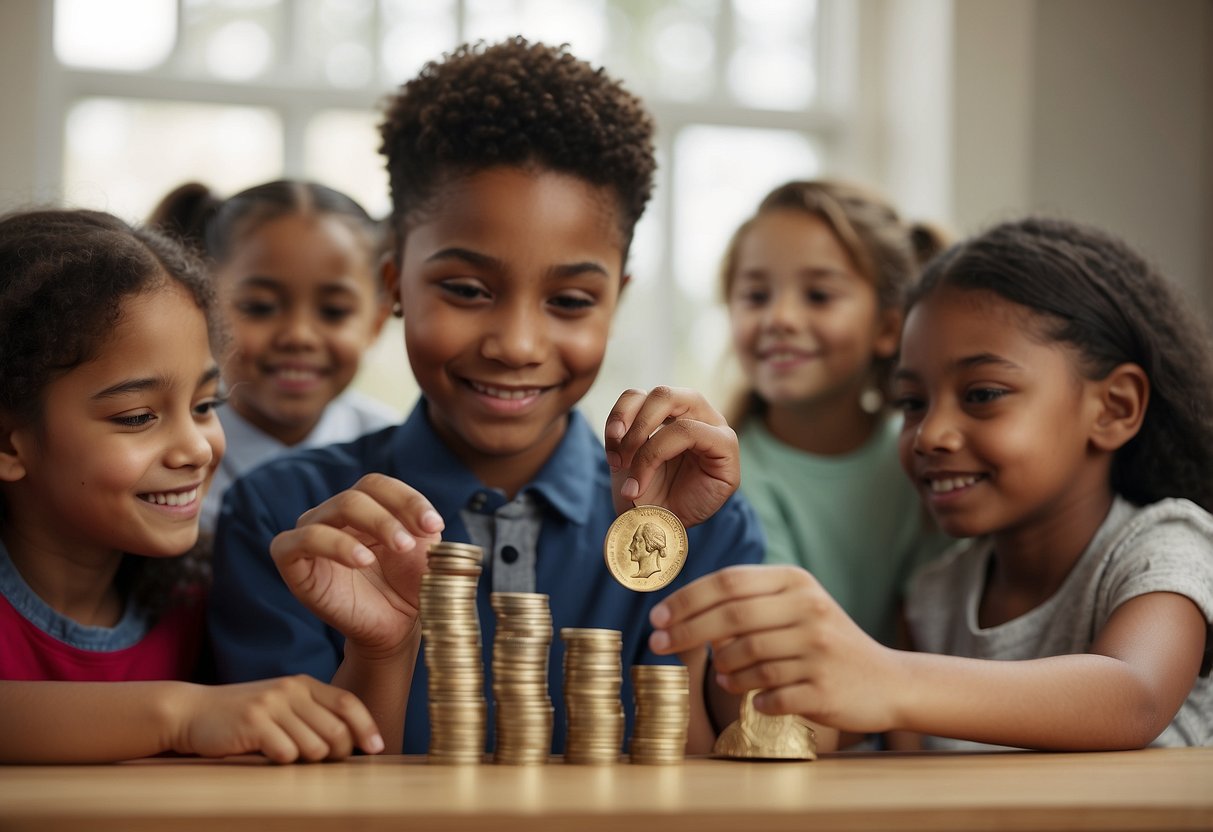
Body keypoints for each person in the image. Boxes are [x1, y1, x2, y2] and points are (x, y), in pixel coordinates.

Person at [208, 37, 765, 756]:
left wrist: (686, 562)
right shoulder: (285, 519)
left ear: (614, 303)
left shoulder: (701, 519)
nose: (516, 343)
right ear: (392, 285)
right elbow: (293, 792)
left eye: (569, 299)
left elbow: (726, 777)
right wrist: (379, 650)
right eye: (467, 290)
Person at [649, 216, 1213, 751]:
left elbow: (1135, 695)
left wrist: (885, 675)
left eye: (982, 394)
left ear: (1114, 408)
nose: (929, 434)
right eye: (911, 403)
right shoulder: (935, 597)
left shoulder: (1161, 547)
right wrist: (702, 623)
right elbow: (802, 734)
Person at [0, 209, 383, 763]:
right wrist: (182, 715)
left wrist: (378, 650)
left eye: (205, 406)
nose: (198, 449)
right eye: (136, 417)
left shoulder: (204, 589)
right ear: (10, 445)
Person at [721, 179, 951, 646]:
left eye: (819, 295)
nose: (779, 318)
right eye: (756, 296)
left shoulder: (928, 459)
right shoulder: (722, 476)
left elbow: (932, 641)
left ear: (888, 327)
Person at [150, 180, 398, 538]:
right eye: (260, 307)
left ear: (377, 321)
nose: (298, 335)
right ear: (201, 310)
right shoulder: (164, 457)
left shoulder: (398, 460)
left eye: (334, 311)